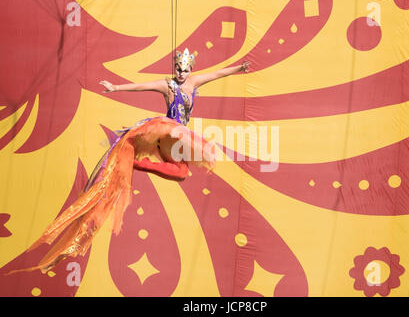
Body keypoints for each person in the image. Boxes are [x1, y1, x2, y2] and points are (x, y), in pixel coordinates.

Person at [7, 48, 250, 274]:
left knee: (182, 172)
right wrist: (115, 88)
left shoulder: (194, 82)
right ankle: (134, 162)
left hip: (177, 136)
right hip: (167, 132)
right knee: (184, 166)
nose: (182, 73)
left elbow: (218, 73)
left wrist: (239, 68)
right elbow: (142, 87)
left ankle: (134, 163)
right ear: (174, 68)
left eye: (185, 70)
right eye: (178, 69)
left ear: (191, 70)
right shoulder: (168, 85)